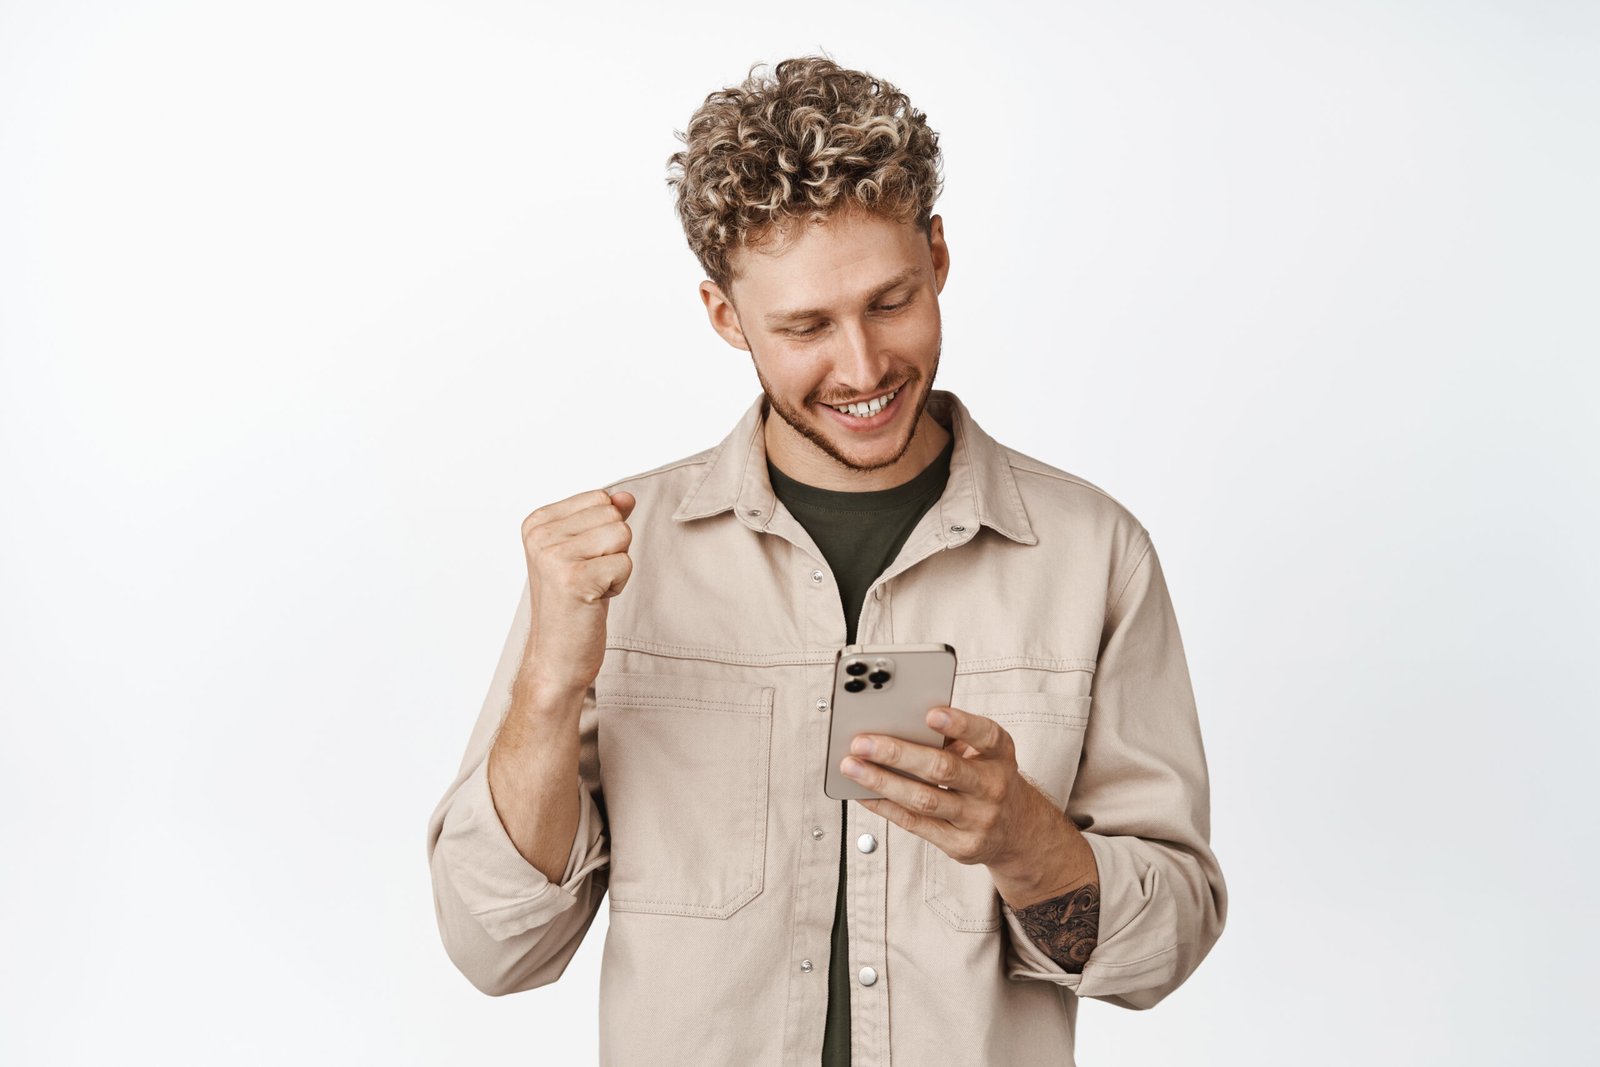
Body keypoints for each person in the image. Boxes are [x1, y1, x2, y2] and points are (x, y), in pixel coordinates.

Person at [426, 55, 1227, 1066]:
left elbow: (1165, 949)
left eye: (889, 301)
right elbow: (494, 944)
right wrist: (549, 683)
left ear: (937, 256)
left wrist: (1023, 837)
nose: (862, 368)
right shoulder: (617, 562)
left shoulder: (1093, 554)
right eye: (804, 325)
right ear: (725, 316)